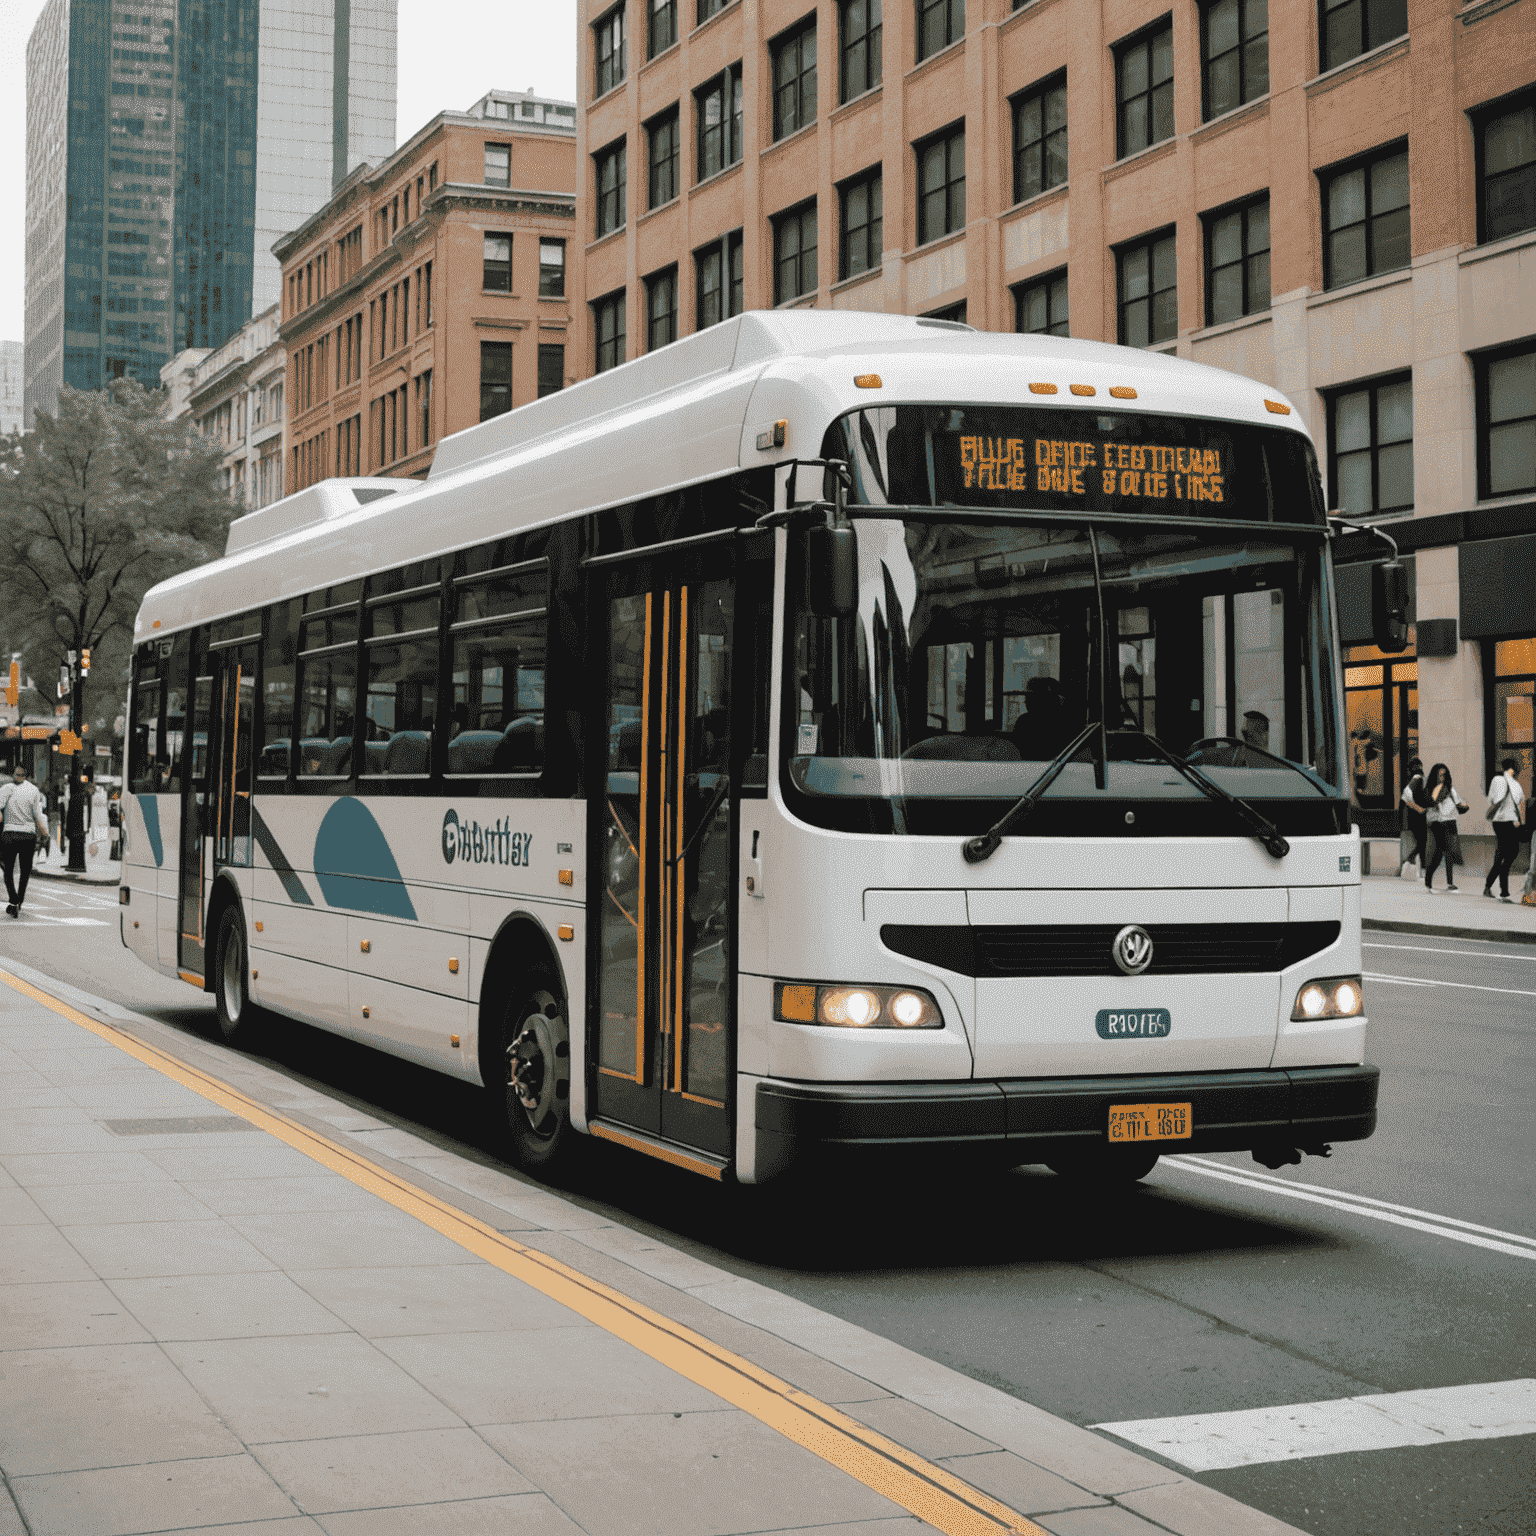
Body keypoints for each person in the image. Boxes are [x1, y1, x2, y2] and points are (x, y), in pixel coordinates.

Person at [0, 763, 50, 918]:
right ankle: (18, 901)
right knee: (24, 871)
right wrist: (45, 832)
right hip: (28, 835)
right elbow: (37, 815)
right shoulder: (34, 790)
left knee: (8, 871)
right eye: (17, 774)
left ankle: (14, 900)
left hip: (10, 834)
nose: (18, 776)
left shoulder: (6, 788)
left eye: (19, 774)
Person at [1483, 757, 1526, 903]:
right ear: (1513, 767)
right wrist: (1521, 821)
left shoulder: (1514, 784)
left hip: (1509, 822)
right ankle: (1504, 892)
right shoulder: (1501, 780)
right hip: (1502, 822)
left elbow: (1492, 799)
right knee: (1508, 853)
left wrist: (1520, 821)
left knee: (1505, 854)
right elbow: (1518, 802)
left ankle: (1489, 886)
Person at [1422, 762, 1469, 893]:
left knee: (1450, 852)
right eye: (1439, 775)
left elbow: (1459, 802)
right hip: (1437, 823)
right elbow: (1431, 801)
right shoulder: (1430, 788)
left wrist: (1464, 805)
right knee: (1438, 853)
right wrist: (1439, 788)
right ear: (1434, 775)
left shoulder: (1450, 788)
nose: (1442, 777)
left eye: (1444, 775)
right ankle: (1428, 880)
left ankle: (1450, 883)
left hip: (1450, 821)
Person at [1400, 757, 1427, 873]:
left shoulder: (1414, 778)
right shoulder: (1417, 778)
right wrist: (1419, 808)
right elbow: (1405, 796)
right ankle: (1412, 860)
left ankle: (1422, 867)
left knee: (1422, 842)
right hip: (1418, 817)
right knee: (1422, 842)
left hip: (1415, 816)